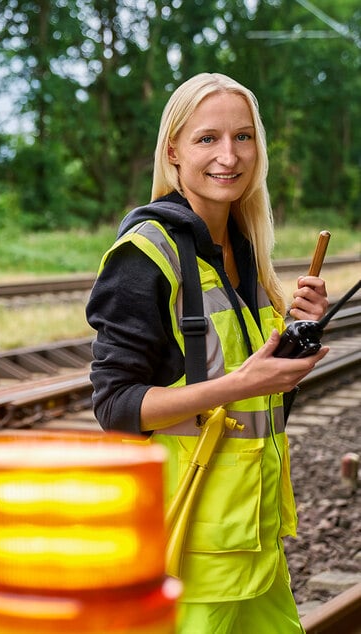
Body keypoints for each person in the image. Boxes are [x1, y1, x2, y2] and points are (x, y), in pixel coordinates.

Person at [85, 72, 329, 633]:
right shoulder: (145, 255)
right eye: (206, 139)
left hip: (254, 543)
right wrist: (245, 382)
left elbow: (260, 404)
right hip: (186, 548)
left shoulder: (242, 251)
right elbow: (116, 408)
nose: (229, 155)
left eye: (243, 138)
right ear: (173, 150)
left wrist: (294, 334)